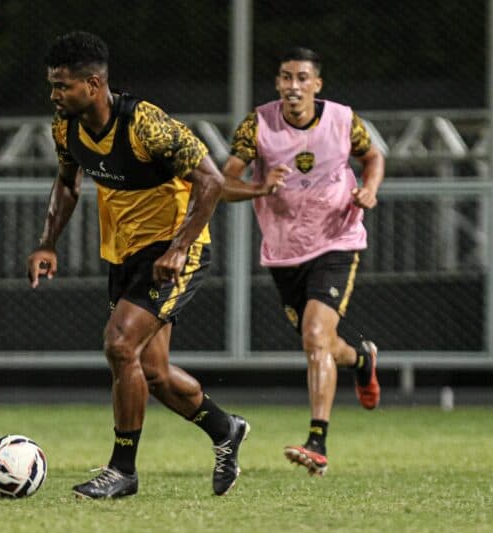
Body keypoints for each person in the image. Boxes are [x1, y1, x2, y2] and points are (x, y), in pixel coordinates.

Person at [27, 31, 249, 499]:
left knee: (119, 343)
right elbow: (68, 183)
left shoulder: (146, 125)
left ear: (93, 84)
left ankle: (122, 471)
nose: (54, 95)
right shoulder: (65, 126)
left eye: (62, 86)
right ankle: (226, 429)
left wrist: (180, 247)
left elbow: (210, 182)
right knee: (153, 372)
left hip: (171, 251)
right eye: (51, 86)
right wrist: (47, 243)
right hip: (125, 252)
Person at [219, 47, 383, 476]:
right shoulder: (257, 124)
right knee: (322, 344)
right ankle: (362, 360)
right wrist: (260, 188)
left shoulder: (343, 120)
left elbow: (373, 157)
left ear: (317, 84)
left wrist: (369, 188)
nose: (294, 86)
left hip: (337, 241)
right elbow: (222, 183)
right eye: (286, 78)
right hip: (284, 251)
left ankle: (318, 442)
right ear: (277, 83)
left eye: (302, 78)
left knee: (314, 334)